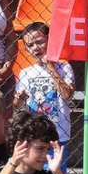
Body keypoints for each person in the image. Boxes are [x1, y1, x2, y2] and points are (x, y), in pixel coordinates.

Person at [13, 22, 75, 156]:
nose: (35, 48)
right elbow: (17, 106)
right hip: (34, 134)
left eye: (40, 42)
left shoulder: (64, 67)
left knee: (56, 167)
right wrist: (19, 99)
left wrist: (51, 68)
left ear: (50, 41)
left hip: (58, 135)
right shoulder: (25, 73)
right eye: (30, 45)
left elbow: (67, 95)